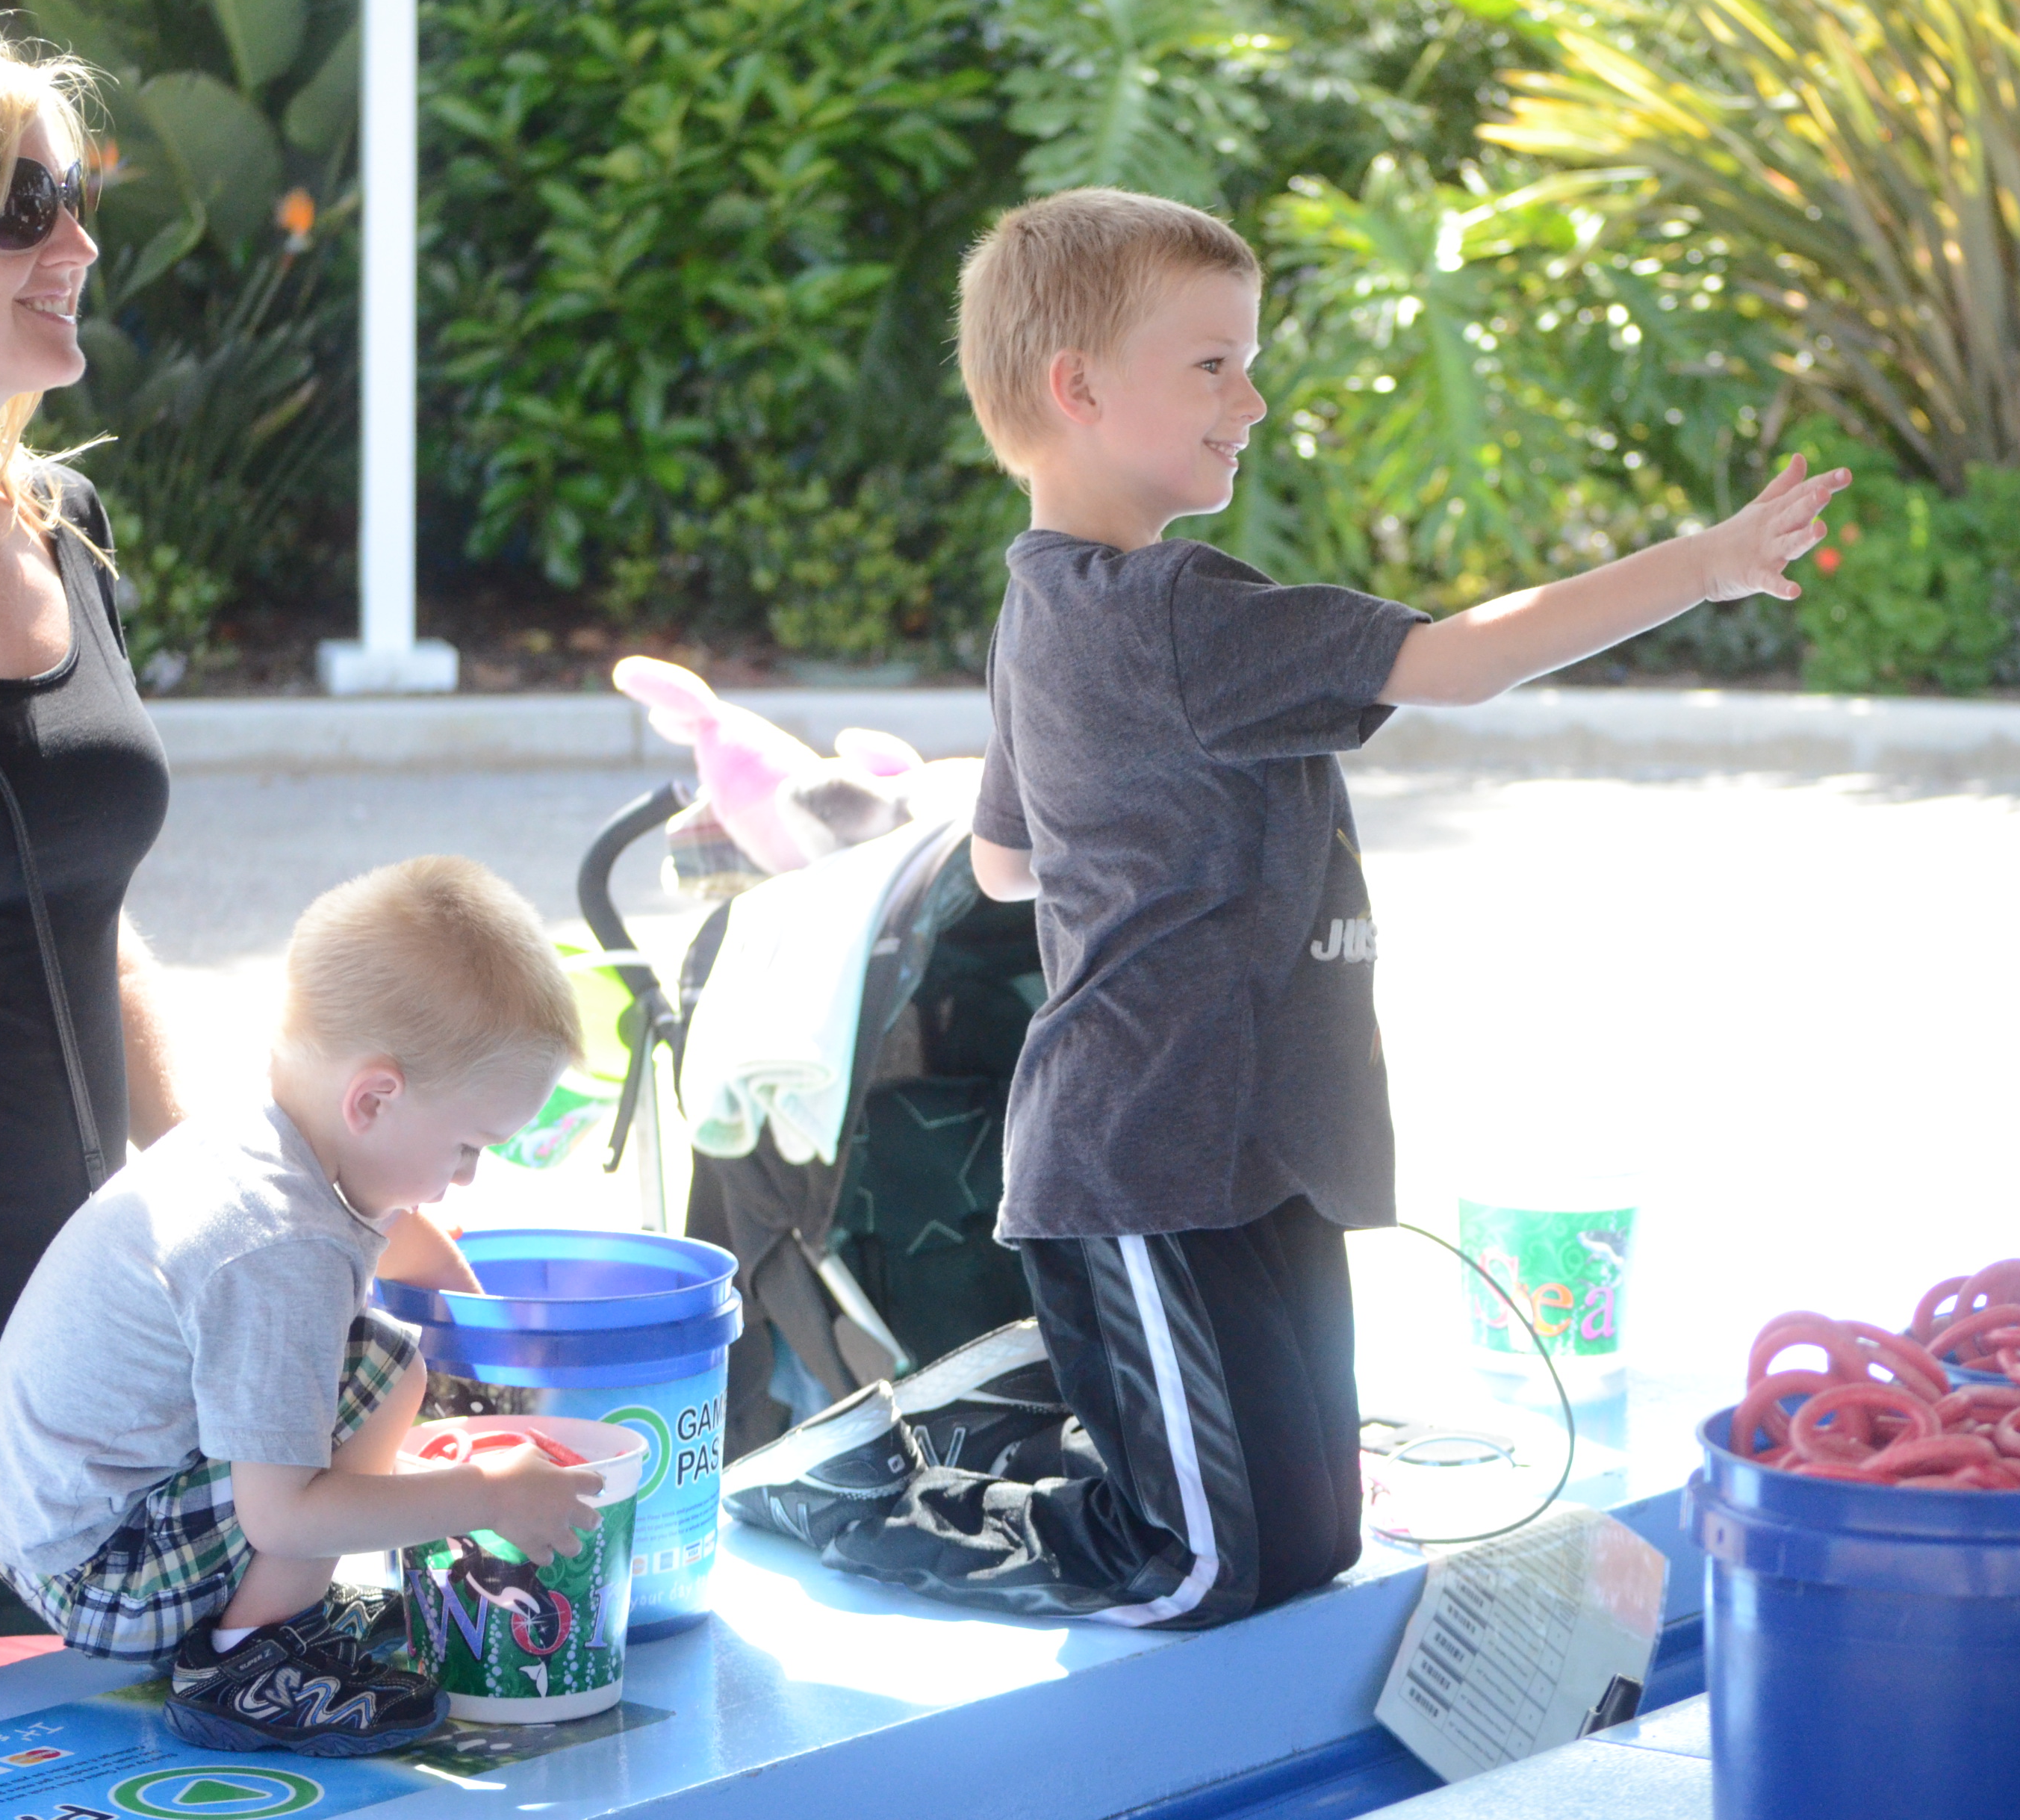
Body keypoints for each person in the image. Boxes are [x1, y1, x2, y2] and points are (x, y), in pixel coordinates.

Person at [725, 187, 1845, 1627]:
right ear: (1077, 387)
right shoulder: (1175, 609)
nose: (1250, 401)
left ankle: (1034, 1402)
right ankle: (854, 1481)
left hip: (1258, 1146)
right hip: (1147, 1158)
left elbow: (1006, 864)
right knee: (1197, 1562)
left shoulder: (1047, 606)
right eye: (1213, 365)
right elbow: (1457, 660)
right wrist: (1705, 564)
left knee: (1308, 1542)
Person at [0, 857, 603, 1756]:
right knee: (384, 1370)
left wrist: (499, 1374)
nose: (466, 1178)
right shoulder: (283, 1249)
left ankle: (275, 1610)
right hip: (102, 1569)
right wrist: (485, 1496)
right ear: (374, 1098)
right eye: (465, 1148)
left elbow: (403, 1237)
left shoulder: (270, 1139)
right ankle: (246, 1664)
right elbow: (285, 1517)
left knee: (378, 1360)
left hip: (60, 1521)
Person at [0, 25, 190, 1652]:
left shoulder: (64, 530)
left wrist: (259, 1191)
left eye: (77, 194)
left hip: (85, 1340)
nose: (76, 242)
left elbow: (98, 923)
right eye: (23, 208)